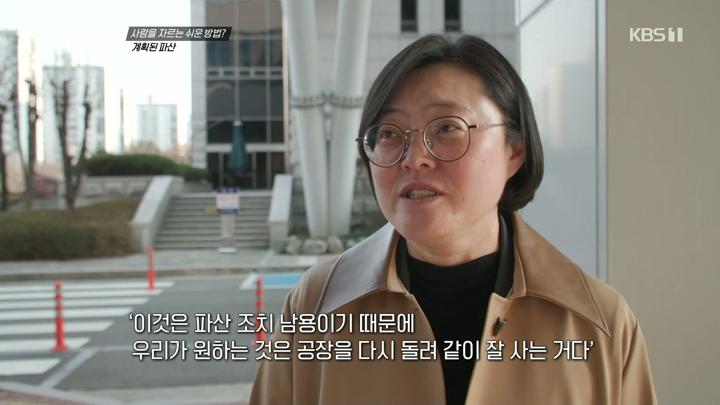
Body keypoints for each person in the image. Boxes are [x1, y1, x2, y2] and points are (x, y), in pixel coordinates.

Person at [249, 34, 657, 405]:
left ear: (514, 149)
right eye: (389, 133)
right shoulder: (315, 307)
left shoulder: (599, 325)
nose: (414, 158)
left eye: (446, 127)